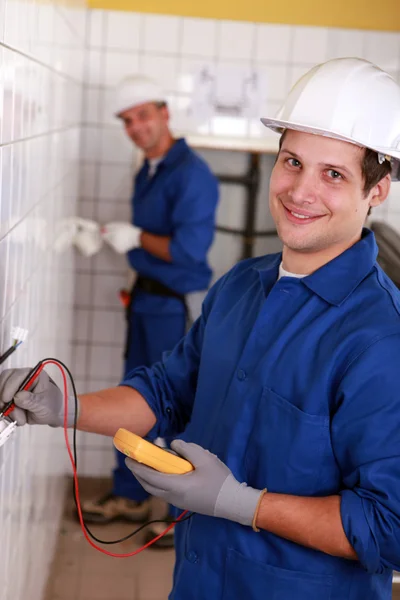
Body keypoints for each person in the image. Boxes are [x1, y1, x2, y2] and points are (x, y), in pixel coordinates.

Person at [1, 57, 400, 599]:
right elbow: (165, 391)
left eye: (334, 174)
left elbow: (389, 527)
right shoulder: (241, 285)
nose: (300, 191)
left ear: (376, 191)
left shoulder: (380, 338)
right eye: (292, 161)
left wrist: (241, 503)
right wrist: (65, 407)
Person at [82, 76, 219, 546]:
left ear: (164, 113)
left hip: (174, 307)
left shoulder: (192, 173)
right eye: (127, 121)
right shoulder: (150, 169)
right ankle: (131, 496)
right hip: (145, 298)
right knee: (131, 398)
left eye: (143, 115)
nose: (136, 127)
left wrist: (137, 239)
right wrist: (110, 237)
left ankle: (181, 511)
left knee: (173, 408)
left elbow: (190, 249)